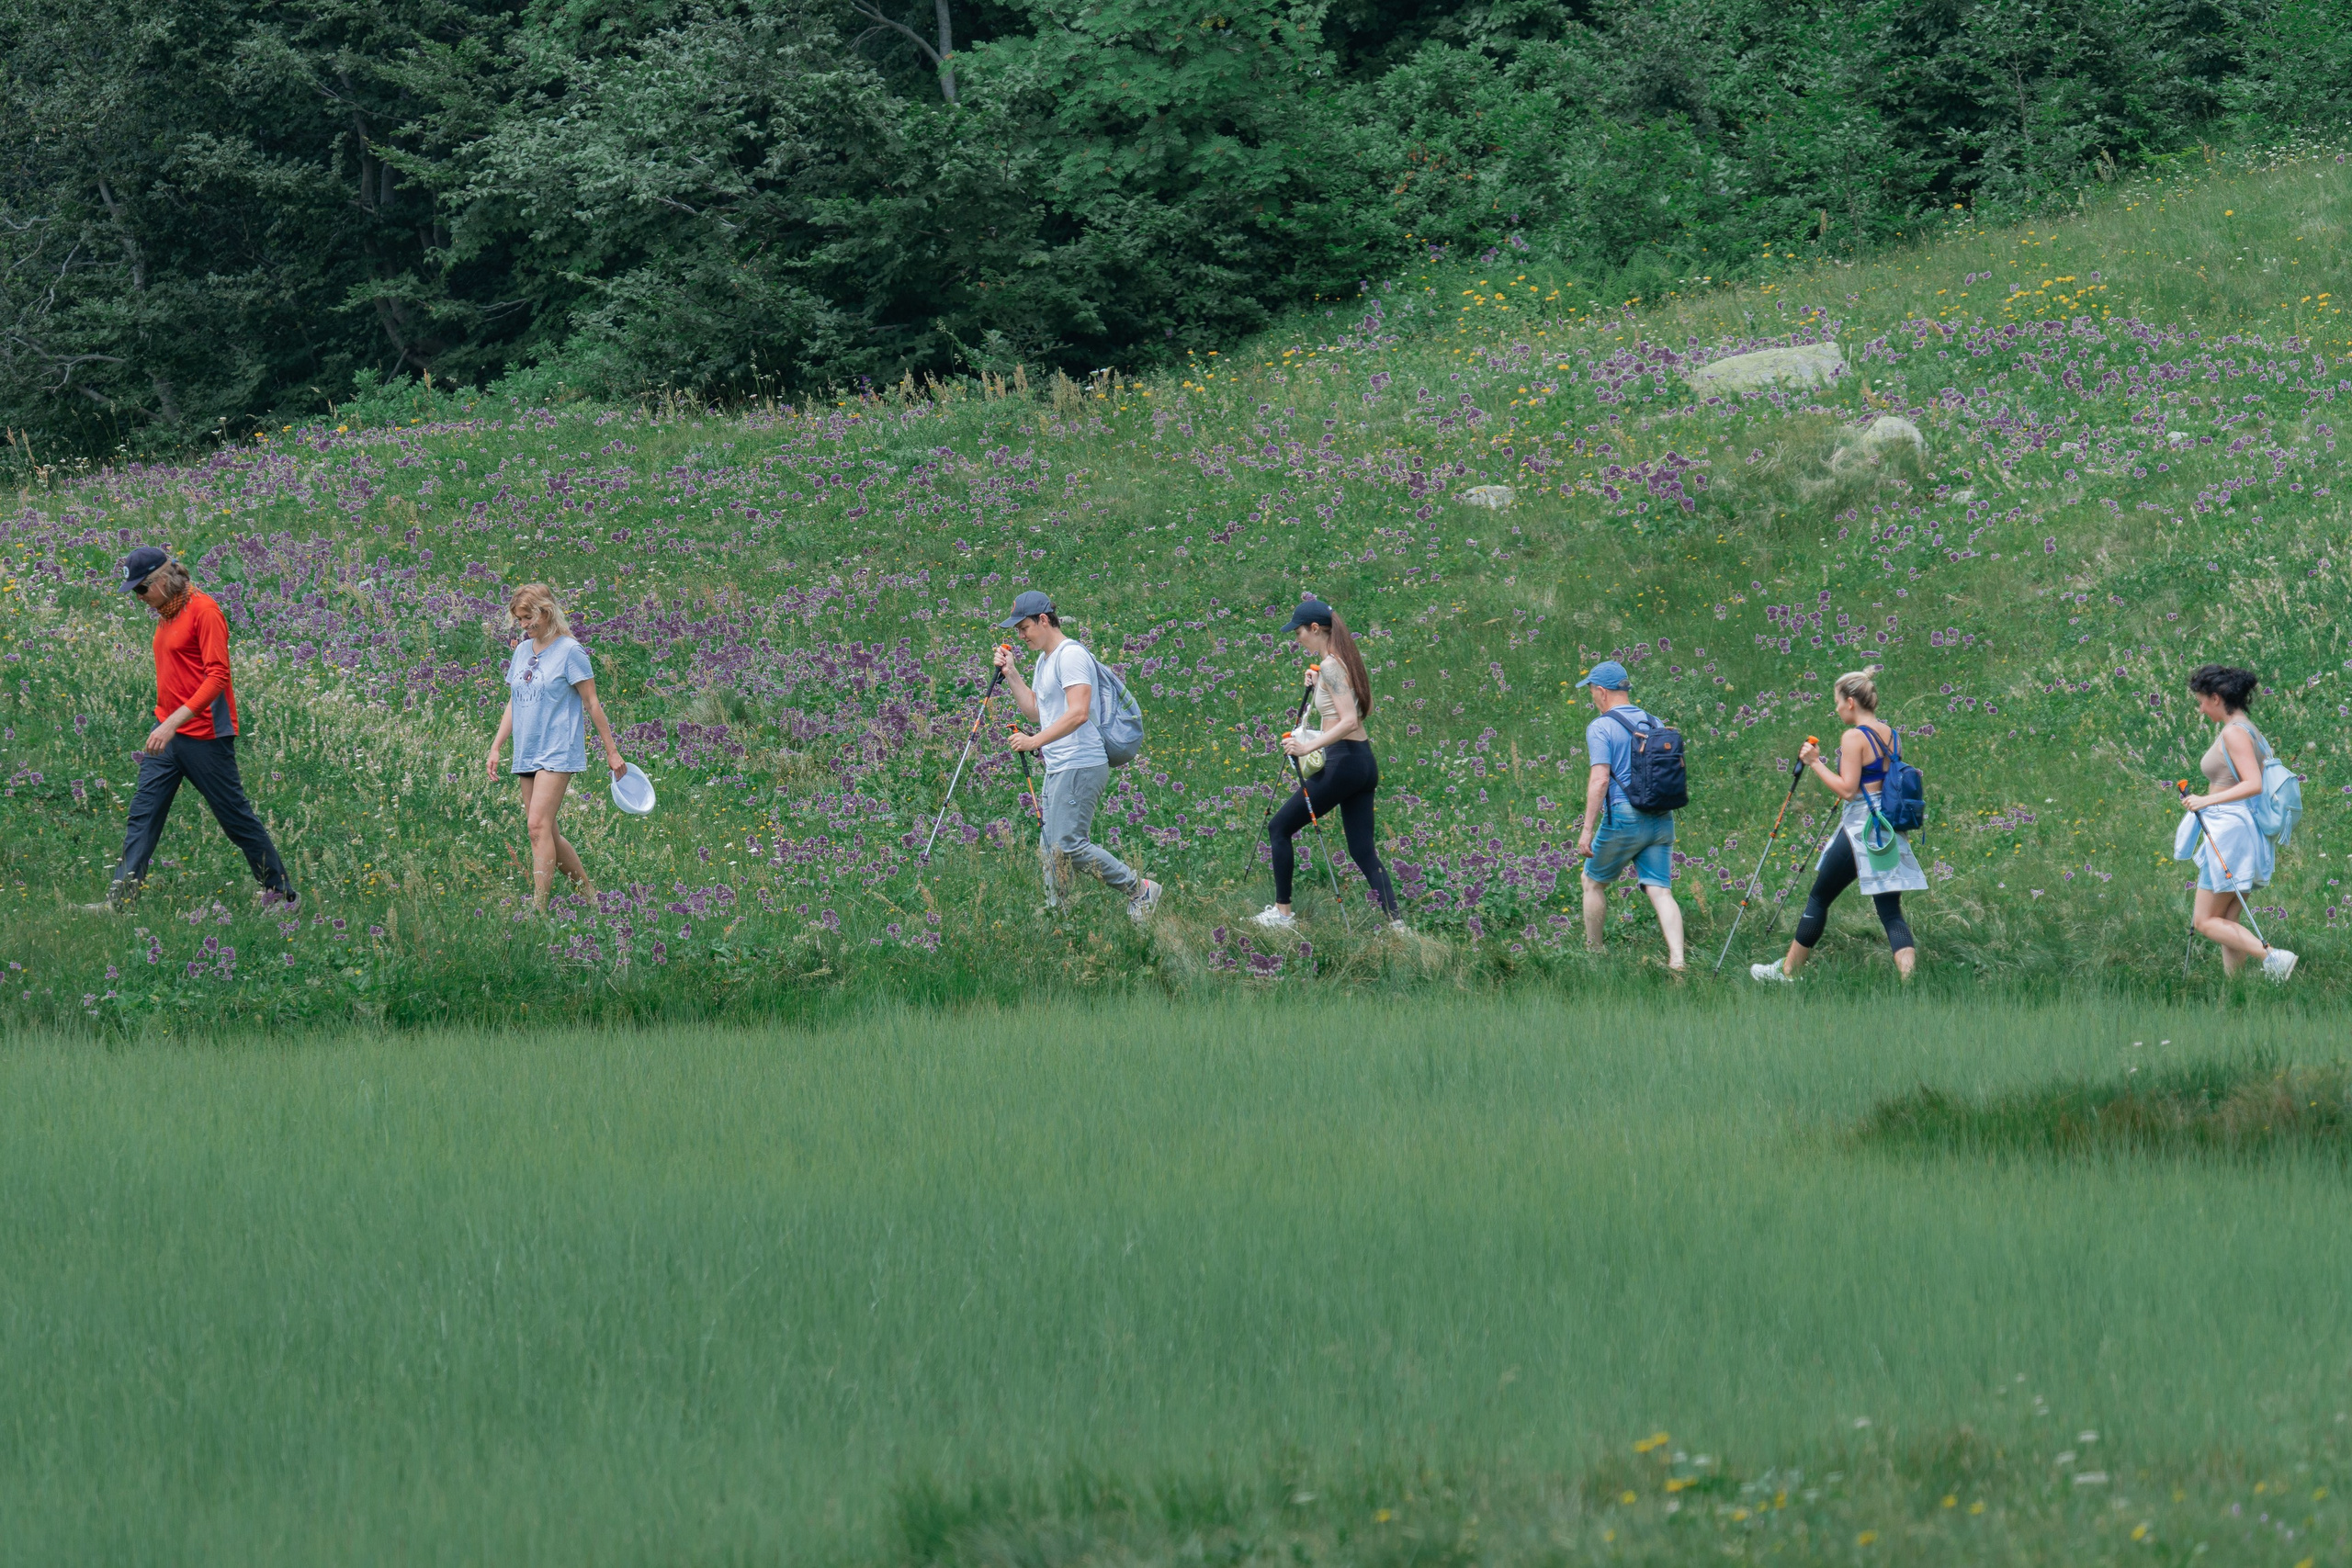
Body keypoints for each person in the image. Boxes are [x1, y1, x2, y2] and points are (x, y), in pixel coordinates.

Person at [94, 547, 298, 912]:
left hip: (204, 736)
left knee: (235, 818)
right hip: (168, 734)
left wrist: (173, 723)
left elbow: (218, 676)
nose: (140, 599)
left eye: (142, 590)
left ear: (163, 580)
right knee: (143, 815)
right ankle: (120, 901)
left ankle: (282, 897)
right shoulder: (166, 610)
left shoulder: (205, 611)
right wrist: (166, 722)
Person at [992, 590, 1162, 921]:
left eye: (1024, 627)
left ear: (1044, 620)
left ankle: (1139, 889)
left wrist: (1034, 742)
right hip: (1060, 765)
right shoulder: (1045, 660)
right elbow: (1036, 712)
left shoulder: (1071, 656)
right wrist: (1012, 673)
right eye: (1018, 631)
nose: (1021, 635)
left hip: (1082, 763)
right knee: (1049, 850)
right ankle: (1060, 919)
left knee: (1068, 845)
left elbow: (1079, 713)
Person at [1750, 667, 1925, 983]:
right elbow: (1877, 782)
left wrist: (1815, 761)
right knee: (1890, 911)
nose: (1836, 709)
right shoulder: (1892, 735)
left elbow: (1847, 790)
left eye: (1837, 702)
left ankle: (1788, 973)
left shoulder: (1854, 736)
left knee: (1819, 898)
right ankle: (1910, 981)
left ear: (1850, 702)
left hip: (1860, 830)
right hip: (1888, 830)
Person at [1253, 598, 1402, 931]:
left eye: (1299, 632)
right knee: (1363, 851)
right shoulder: (1342, 662)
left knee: (1279, 828)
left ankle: (1282, 916)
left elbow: (1348, 720)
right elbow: (1356, 709)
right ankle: (1397, 926)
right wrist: (1317, 680)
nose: (1297, 639)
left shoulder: (1333, 666)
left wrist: (1307, 745)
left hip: (1344, 763)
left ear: (1316, 629)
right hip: (1363, 763)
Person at [485, 582, 626, 913]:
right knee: (547, 830)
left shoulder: (570, 651)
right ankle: (590, 896)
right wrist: (496, 748)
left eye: (527, 618)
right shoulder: (522, 651)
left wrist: (612, 751)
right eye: (519, 619)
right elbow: (514, 701)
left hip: (558, 749)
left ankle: (540, 909)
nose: (523, 625)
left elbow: (591, 703)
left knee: (536, 827)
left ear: (545, 611)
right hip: (527, 750)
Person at [2177, 663, 2296, 981]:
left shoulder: (2234, 732)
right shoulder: (2248, 729)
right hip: (2239, 831)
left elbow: (2253, 783)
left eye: (2202, 701)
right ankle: (2236, 992)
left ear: (2216, 698)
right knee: (2228, 918)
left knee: (2204, 921)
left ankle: (2273, 956)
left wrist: (2204, 800)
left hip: (2231, 833)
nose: (2201, 709)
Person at [1574, 660, 1685, 969]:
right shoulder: (1654, 721)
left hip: (1624, 817)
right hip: (1661, 817)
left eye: (1592, 692)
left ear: (1601, 691)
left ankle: (1594, 952)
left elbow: (1600, 780)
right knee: (1661, 890)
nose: (1592, 698)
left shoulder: (1601, 726)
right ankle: (1678, 961)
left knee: (1592, 881)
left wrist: (1587, 829)